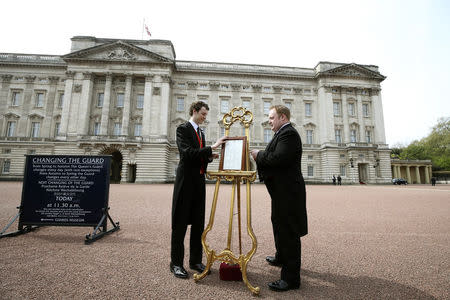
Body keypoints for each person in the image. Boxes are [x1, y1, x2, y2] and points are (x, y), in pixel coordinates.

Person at [250, 105, 308, 292]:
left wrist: (259, 155)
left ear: (282, 117)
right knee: (278, 223)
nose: (269, 121)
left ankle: (290, 279)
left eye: (272, 117)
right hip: (281, 192)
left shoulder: (289, 134)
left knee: (289, 232)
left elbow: (278, 158)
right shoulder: (281, 134)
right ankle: (281, 257)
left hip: (288, 193)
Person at [170, 101, 226, 279]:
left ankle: (195, 260)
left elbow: (198, 156)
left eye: (205, 115)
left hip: (198, 182)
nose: (204, 117)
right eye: (202, 114)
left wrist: (209, 156)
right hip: (185, 182)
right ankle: (176, 263)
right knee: (180, 225)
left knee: (198, 224)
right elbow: (187, 154)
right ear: (194, 111)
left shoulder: (200, 132)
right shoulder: (183, 129)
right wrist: (212, 147)